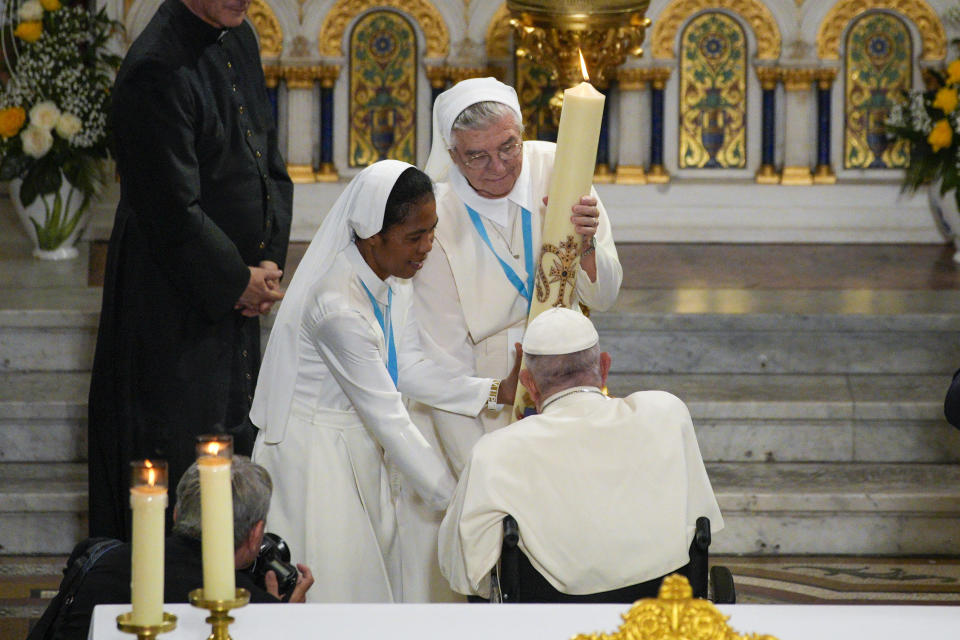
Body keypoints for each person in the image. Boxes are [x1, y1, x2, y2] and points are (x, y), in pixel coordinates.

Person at [249, 160, 519, 603]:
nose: (428, 246)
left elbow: (407, 368)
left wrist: (493, 391)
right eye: (415, 236)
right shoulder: (337, 308)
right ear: (374, 235)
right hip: (318, 459)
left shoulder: (390, 278)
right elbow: (390, 419)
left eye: (432, 231)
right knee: (340, 592)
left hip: (358, 447)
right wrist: (462, 503)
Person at [400, 77, 624, 602]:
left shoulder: (561, 166)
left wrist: (588, 245)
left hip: (569, 381)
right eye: (476, 158)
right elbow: (445, 362)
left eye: (508, 148)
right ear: (451, 155)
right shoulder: (436, 213)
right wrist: (482, 486)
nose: (498, 167)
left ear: (522, 134)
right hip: (483, 397)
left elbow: (607, 295)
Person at [87, 0, 293, 541]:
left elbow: (268, 159)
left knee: (232, 448)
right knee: (182, 454)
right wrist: (236, 281)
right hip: (172, 309)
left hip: (233, 297)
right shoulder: (155, 69)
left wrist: (269, 259)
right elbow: (169, 210)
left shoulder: (238, 34)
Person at [438, 308, 723, 599]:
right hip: (659, 619)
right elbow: (700, 525)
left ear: (529, 383)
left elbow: (463, 569)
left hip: (549, 626)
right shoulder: (666, 413)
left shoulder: (497, 451)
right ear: (604, 366)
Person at [45, 457, 314, 640]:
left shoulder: (100, 560)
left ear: (175, 513)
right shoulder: (251, 607)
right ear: (256, 534)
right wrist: (284, 622)